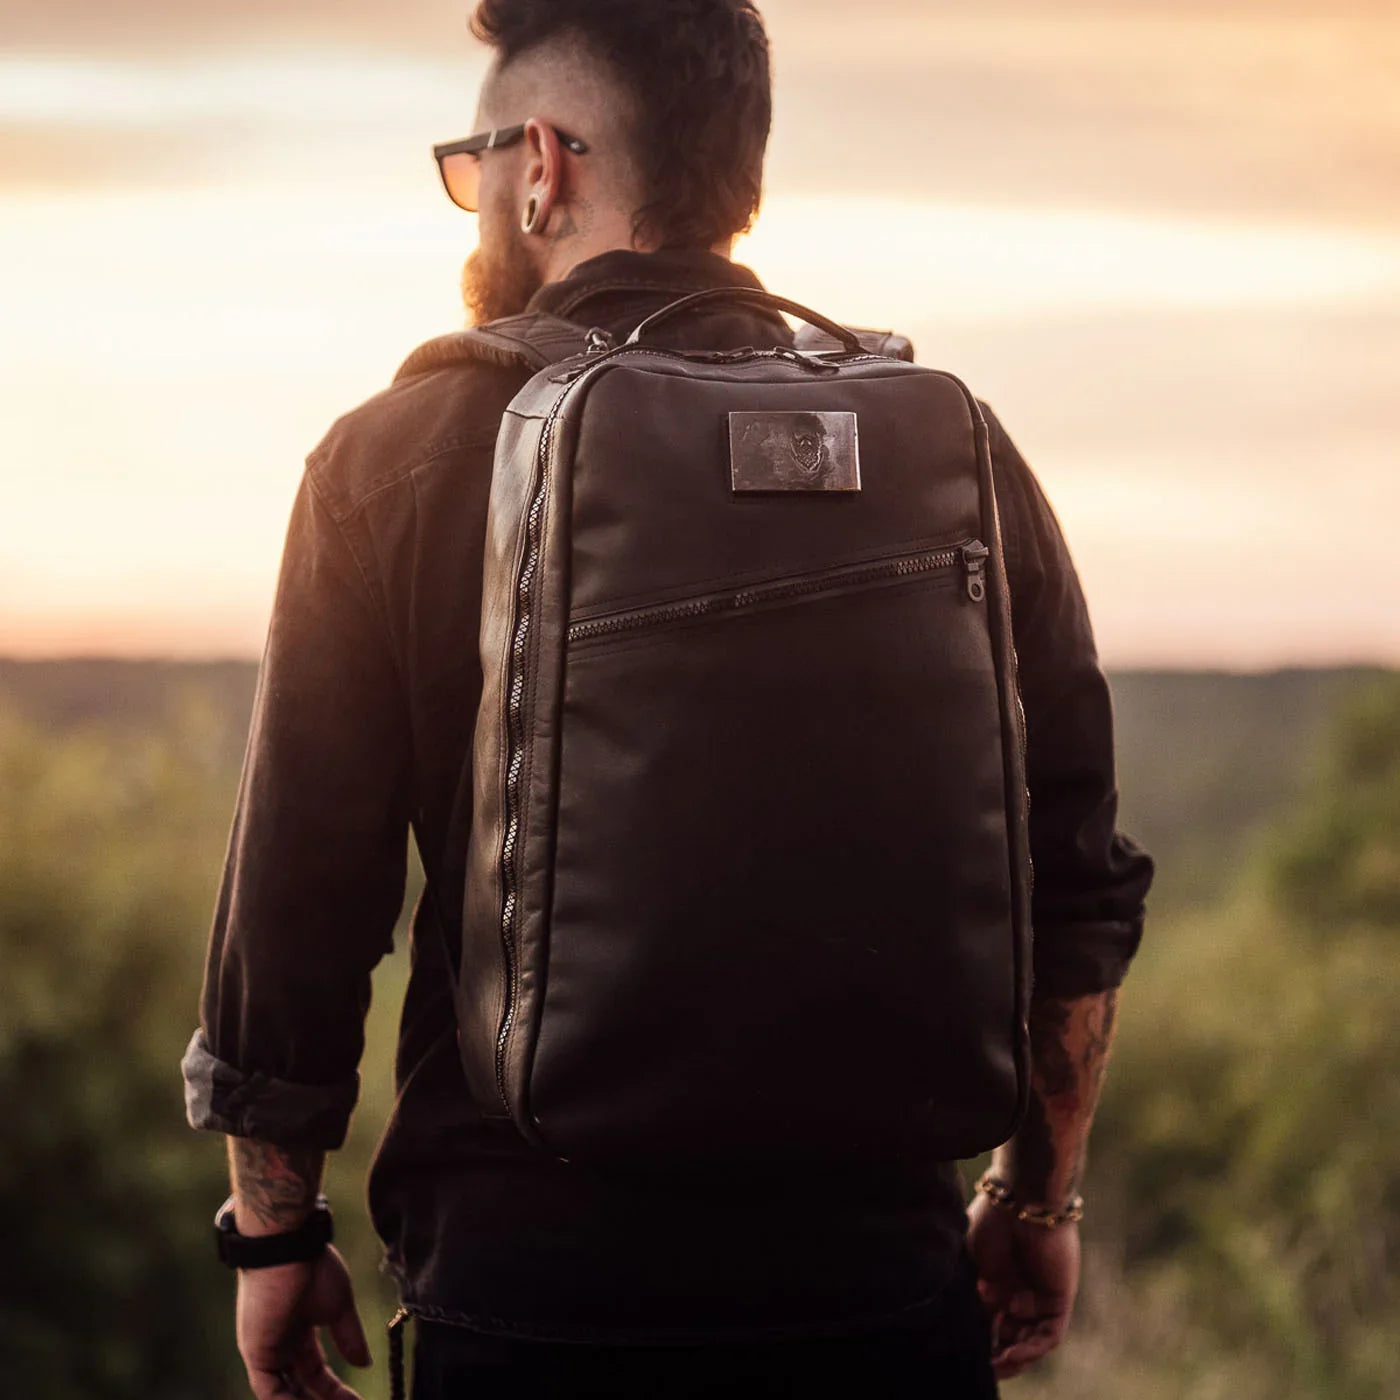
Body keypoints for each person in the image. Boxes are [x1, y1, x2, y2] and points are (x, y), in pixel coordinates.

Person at [182, 2, 1154, 1396]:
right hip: (878, 1288)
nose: (475, 203)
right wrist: (1037, 1197)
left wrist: (272, 1238)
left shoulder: (398, 458)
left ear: (542, 165)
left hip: (528, 1294)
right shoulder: (952, 455)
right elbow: (1074, 873)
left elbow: (298, 907)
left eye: (473, 165)